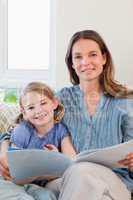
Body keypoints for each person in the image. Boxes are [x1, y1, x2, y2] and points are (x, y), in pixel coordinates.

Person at [1, 29, 133, 200]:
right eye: (78, 57)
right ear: (72, 63)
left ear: (104, 58)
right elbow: (17, 128)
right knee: (76, 175)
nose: (85, 62)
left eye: (92, 54)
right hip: (66, 180)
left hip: (114, 182)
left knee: (81, 171)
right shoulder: (60, 98)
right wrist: (4, 151)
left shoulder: (125, 101)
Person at [0, 82, 76, 200]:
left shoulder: (61, 130)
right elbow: (14, 169)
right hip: (15, 182)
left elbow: (71, 161)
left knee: (48, 196)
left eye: (43, 103)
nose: (38, 111)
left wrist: (57, 157)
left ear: (54, 103)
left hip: (39, 184)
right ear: (24, 113)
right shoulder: (22, 131)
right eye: (31, 107)